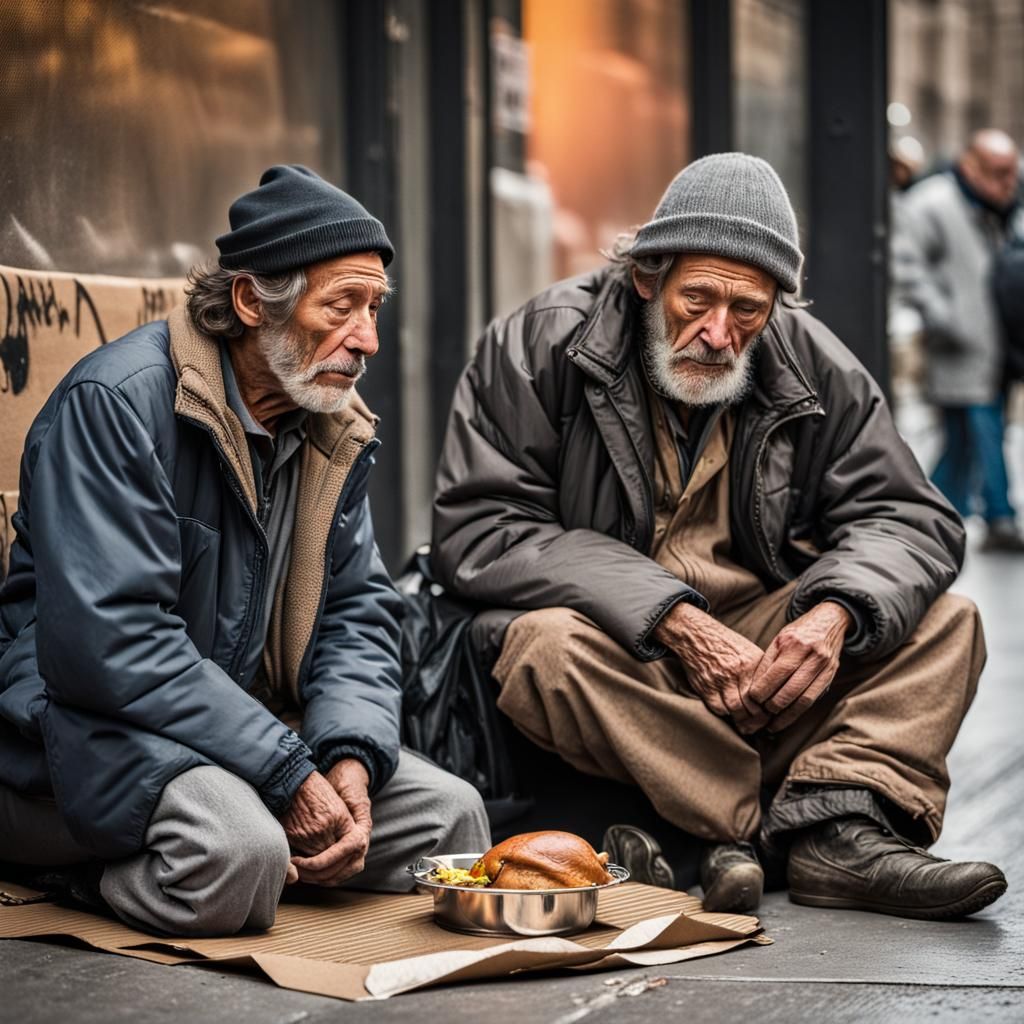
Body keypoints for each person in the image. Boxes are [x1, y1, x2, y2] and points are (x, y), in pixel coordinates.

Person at [432, 153, 1007, 920]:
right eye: (696, 299)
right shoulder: (539, 343)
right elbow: (482, 526)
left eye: (747, 310)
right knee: (543, 646)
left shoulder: (807, 360)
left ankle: (824, 823)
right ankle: (773, 829)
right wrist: (672, 617)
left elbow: (909, 515)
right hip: (622, 654)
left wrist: (833, 613)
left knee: (946, 621)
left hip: (760, 655)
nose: (717, 332)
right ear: (648, 278)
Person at [0, 165, 489, 937]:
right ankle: (81, 878)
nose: (367, 339)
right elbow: (114, 641)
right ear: (251, 301)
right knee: (238, 855)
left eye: (374, 308)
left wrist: (349, 756)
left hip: (247, 730)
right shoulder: (117, 404)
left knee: (452, 820)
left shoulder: (328, 421)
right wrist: (286, 771)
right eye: (342, 307)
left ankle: (267, 857)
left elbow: (359, 613)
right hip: (84, 730)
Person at [893, 129, 1024, 551]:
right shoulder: (931, 203)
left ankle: (928, 514)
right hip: (960, 347)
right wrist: (946, 319)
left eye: (1011, 174)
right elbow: (905, 265)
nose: (1008, 183)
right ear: (970, 166)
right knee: (981, 430)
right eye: (998, 173)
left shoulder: (1001, 209)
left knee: (966, 440)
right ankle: (997, 515)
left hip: (998, 346)